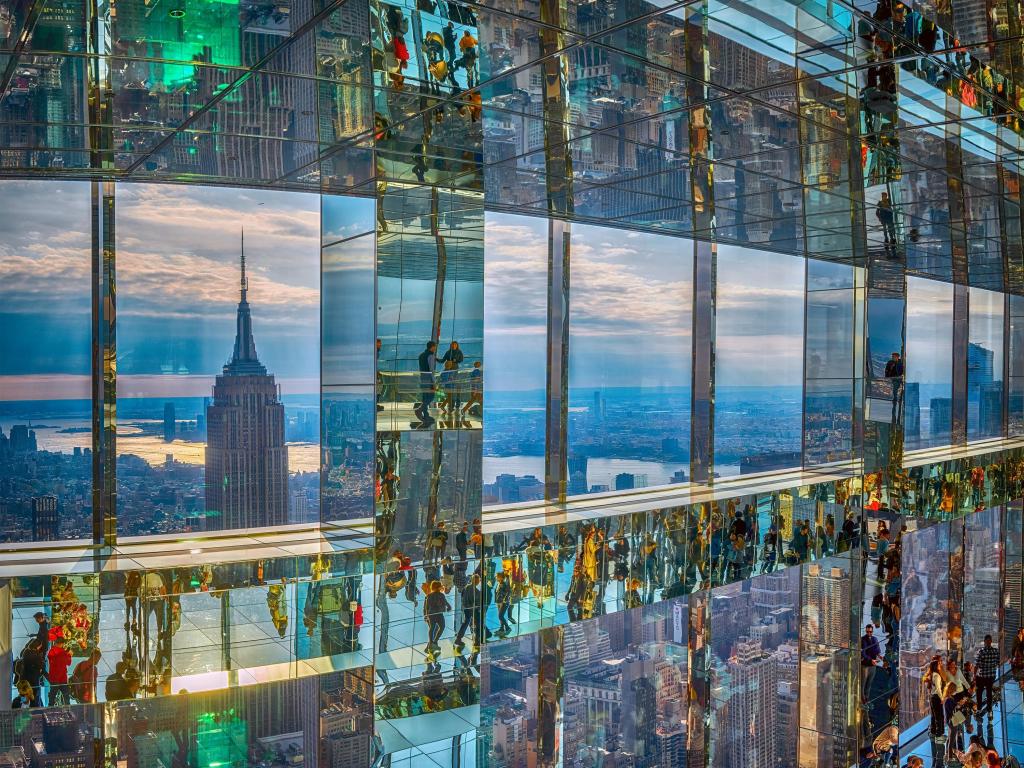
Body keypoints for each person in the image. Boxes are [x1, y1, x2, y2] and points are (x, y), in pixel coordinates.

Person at [453, 573, 482, 648]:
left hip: (466, 608)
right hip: (473, 609)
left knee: (466, 622)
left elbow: (463, 597)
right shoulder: (476, 591)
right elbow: (477, 602)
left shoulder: (466, 587)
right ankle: (477, 641)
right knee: (478, 624)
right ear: (477, 581)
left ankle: (458, 638)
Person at [975, 634, 1000, 716]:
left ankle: (979, 709)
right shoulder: (996, 651)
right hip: (991, 676)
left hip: (982, 676)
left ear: (985, 641)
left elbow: (976, 665)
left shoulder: (981, 651)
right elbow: (998, 663)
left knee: (979, 693)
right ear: (991, 641)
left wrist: (974, 676)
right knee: (989, 693)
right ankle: (989, 711)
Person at [422, 580, 450, 653]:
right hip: (433, 614)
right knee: (434, 628)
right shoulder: (430, 596)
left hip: (436, 614)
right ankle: (432, 643)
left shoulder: (438, 595)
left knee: (438, 627)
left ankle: (432, 643)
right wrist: (425, 615)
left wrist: (448, 606)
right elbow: (426, 607)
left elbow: (446, 602)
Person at [415, 341, 437, 427]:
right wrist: (434, 382)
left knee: (425, 397)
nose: (435, 348)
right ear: (432, 347)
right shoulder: (431, 356)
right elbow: (431, 370)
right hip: (428, 379)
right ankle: (419, 409)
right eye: (434, 347)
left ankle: (426, 415)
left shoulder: (421, 355)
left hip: (422, 378)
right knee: (431, 396)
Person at [47, 640, 73, 706]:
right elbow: (68, 663)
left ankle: (50, 709)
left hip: (53, 678)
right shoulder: (63, 652)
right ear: (62, 643)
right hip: (62, 678)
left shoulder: (51, 651)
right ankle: (68, 709)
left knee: (52, 696)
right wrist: (69, 655)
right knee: (66, 696)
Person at [862, 624, 883, 697]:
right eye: (867, 632)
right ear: (866, 631)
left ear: (872, 631)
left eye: (870, 632)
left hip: (873, 666)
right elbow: (863, 653)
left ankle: (866, 699)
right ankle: (862, 699)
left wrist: (880, 656)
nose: (869, 633)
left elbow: (877, 650)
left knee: (869, 684)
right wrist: (871, 660)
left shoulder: (875, 639)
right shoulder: (863, 639)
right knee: (863, 684)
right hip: (865, 666)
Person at [926, 657, 945, 737]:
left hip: (933, 697)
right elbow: (938, 688)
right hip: (937, 697)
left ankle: (934, 731)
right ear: (935, 666)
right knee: (939, 716)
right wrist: (942, 698)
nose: (940, 666)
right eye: (938, 665)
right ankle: (939, 733)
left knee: (934, 716)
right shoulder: (936, 675)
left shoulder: (932, 674)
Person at [495, 571, 514, 635]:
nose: (496, 578)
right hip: (499, 602)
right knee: (501, 616)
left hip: (503, 603)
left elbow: (508, 592)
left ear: (501, 578)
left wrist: (504, 599)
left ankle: (507, 627)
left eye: (497, 577)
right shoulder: (498, 584)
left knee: (500, 616)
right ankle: (501, 628)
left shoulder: (504, 584)